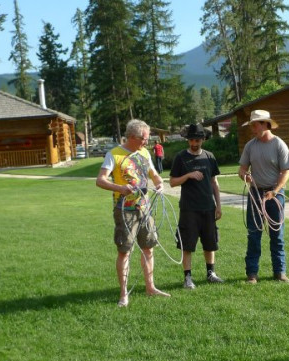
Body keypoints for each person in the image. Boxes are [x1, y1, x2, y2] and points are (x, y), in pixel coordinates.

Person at [96, 119, 170, 307]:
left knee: (148, 248)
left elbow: (154, 174)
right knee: (125, 251)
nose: (147, 141)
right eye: (144, 138)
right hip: (124, 211)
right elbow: (100, 180)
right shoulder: (114, 154)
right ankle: (123, 293)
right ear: (131, 137)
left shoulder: (145, 153)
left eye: (147, 138)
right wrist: (120, 188)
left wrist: (159, 183)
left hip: (145, 208)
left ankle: (150, 287)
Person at [238, 109, 289, 284]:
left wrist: (275, 191)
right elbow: (242, 169)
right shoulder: (250, 146)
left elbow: (286, 172)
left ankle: (280, 272)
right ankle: (252, 274)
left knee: (277, 234)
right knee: (254, 234)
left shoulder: (279, 145)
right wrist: (245, 176)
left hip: (275, 195)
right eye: (252, 125)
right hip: (255, 193)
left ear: (265, 124)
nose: (252, 128)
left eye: (255, 124)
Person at [168, 123, 224, 289]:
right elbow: (172, 182)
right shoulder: (180, 157)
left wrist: (218, 205)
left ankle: (211, 273)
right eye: (191, 140)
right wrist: (188, 175)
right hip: (189, 208)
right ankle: (187, 278)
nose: (194, 143)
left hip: (208, 207)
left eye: (197, 140)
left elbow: (214, 182)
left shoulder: (209, 157)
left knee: (210, 242)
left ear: (203, 140)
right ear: (187, 140)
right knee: (187, 244)